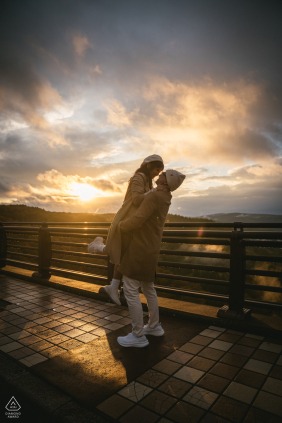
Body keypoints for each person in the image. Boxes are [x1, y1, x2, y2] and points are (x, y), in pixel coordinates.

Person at [93, 169, 185, 348]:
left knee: (130, 290)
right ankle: (154, 326)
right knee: (149, 288)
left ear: (167, 181)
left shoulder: (154, 197)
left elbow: (137, 219)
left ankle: (138, 335)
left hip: (139, 249)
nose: (160, 174)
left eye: (164, 174)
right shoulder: (166, 197)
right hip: (151, 249)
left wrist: (120, 225)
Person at [88, 154, 164, 305]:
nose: (158, 173)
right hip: (127, 219)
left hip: (135, 222)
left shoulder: (147, 181)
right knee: (120, 251)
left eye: (160, 171)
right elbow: (136, 200)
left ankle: (113, 286)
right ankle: (97, 247)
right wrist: (154, 192)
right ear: (149, 165)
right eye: (157, 169)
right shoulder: (138, 177)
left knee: (124, 254)